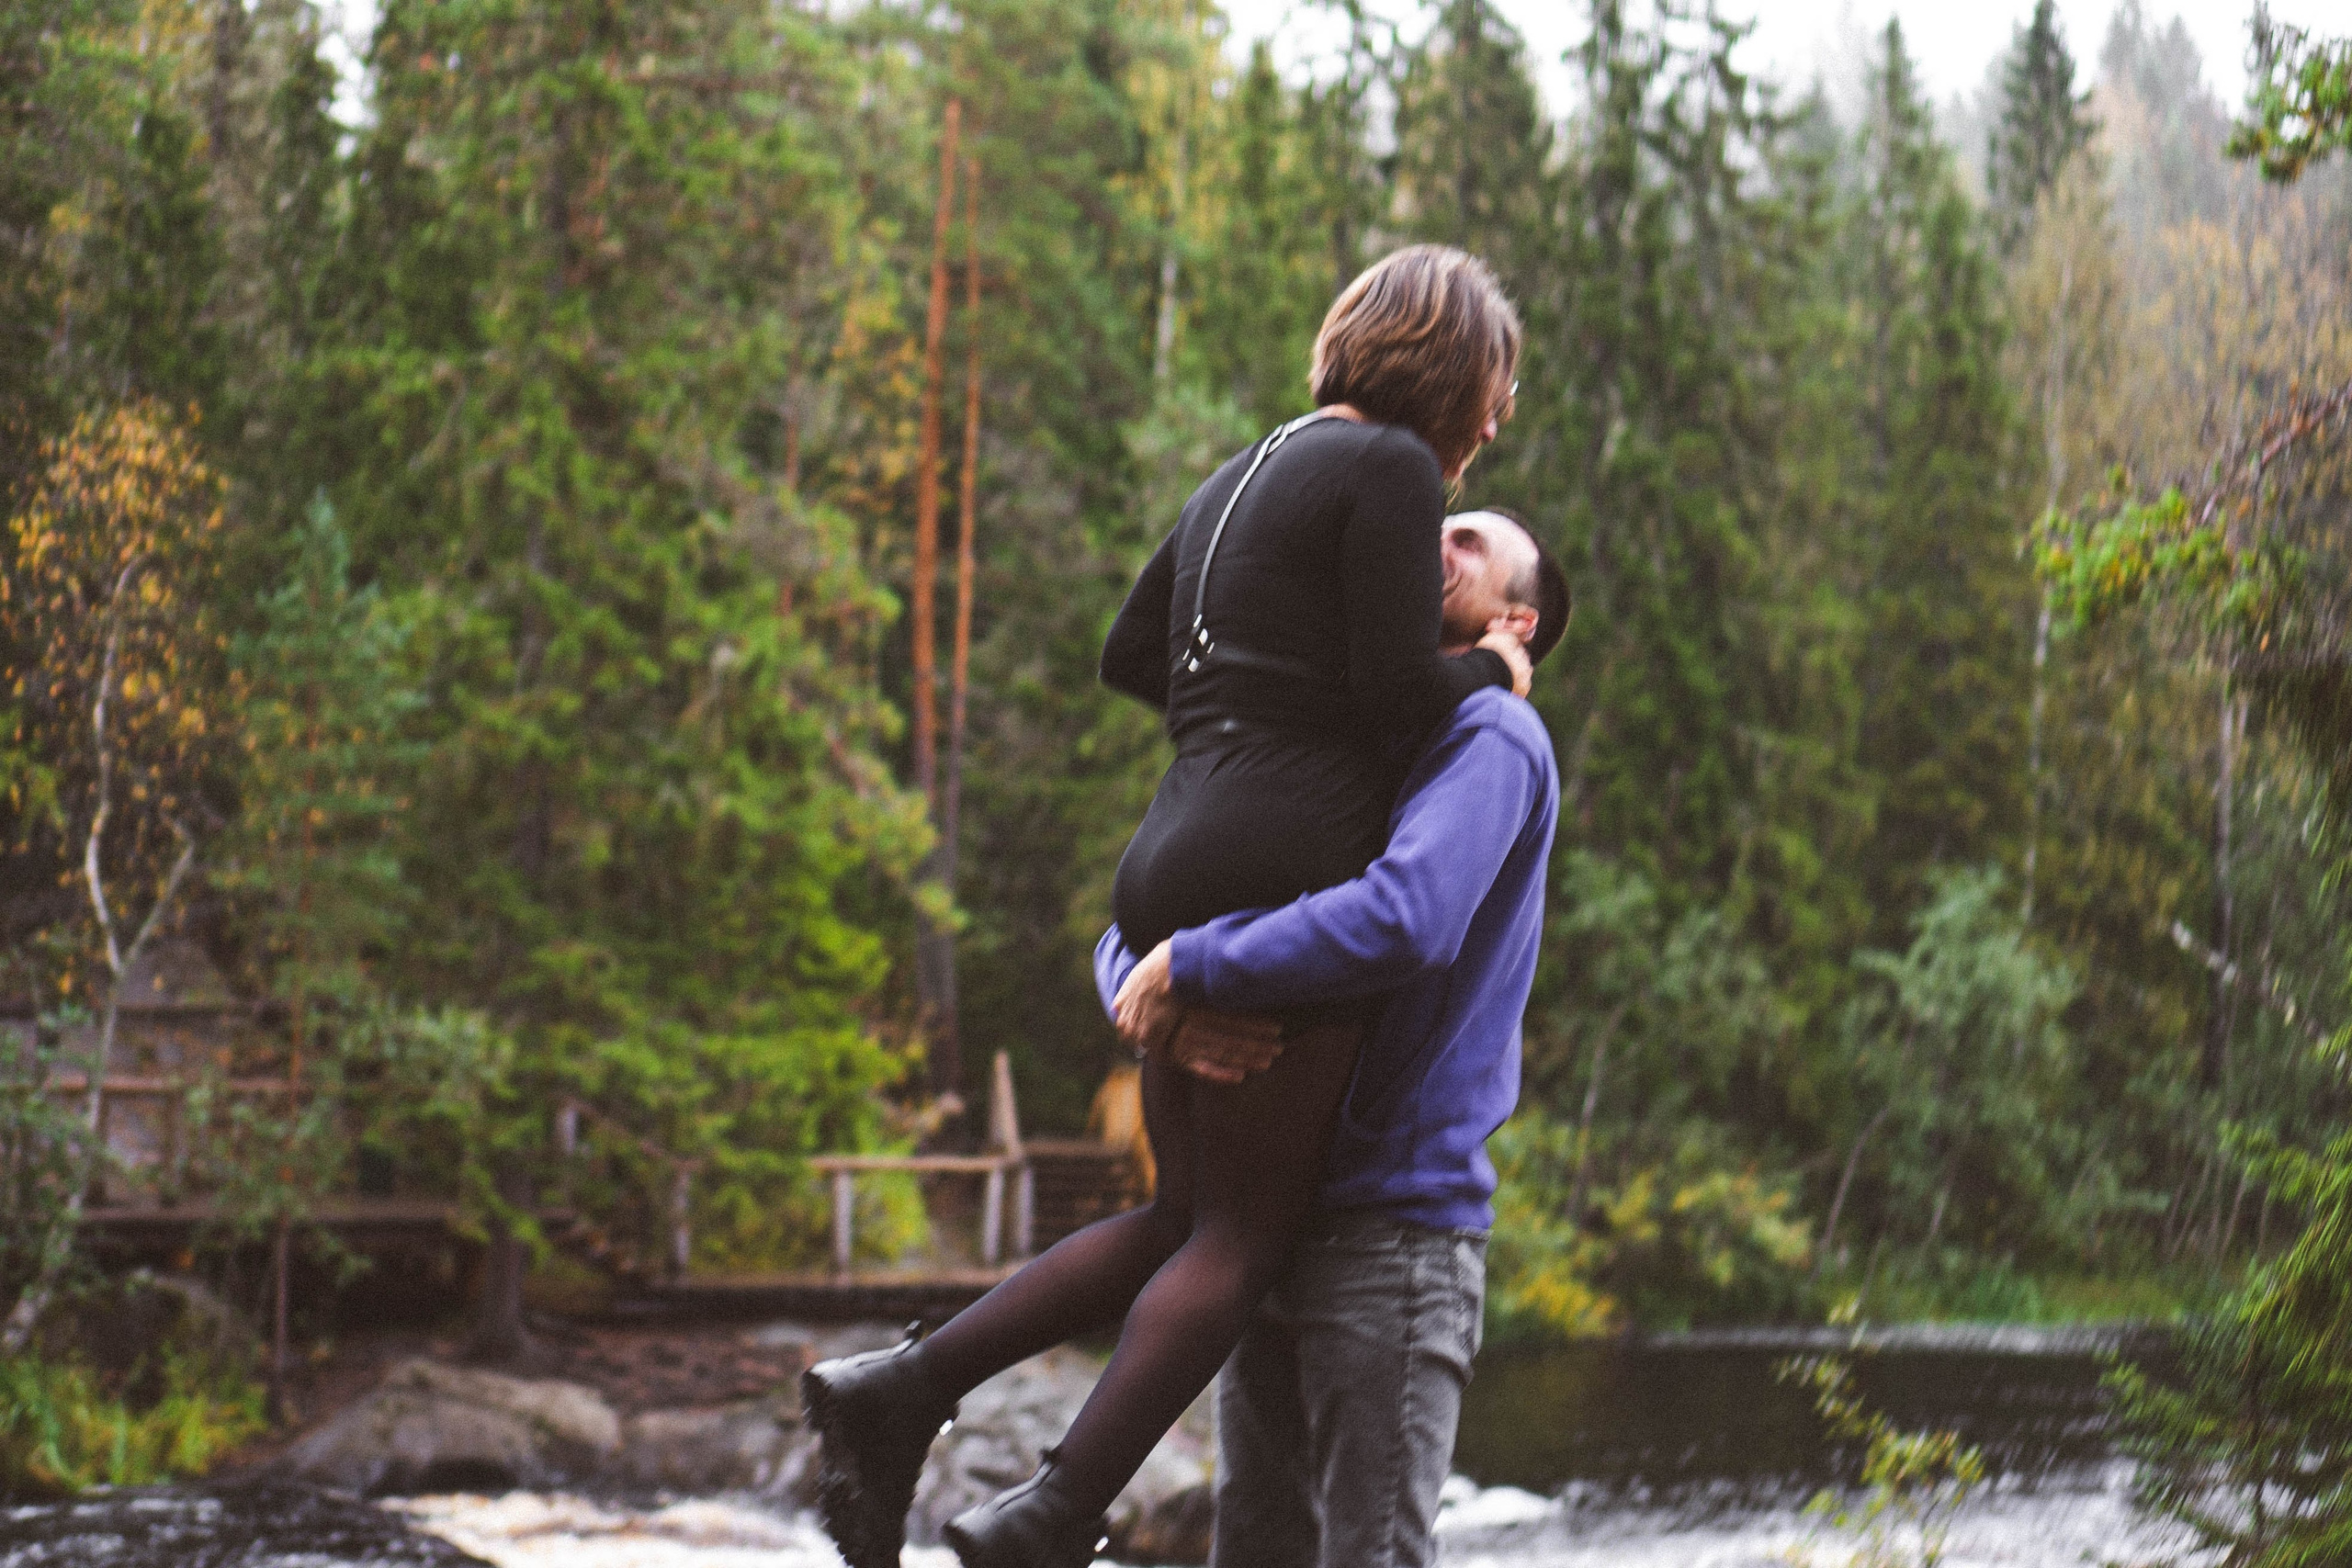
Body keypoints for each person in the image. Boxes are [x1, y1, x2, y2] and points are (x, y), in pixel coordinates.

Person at [801, 246, 1526, 1568]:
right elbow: (1389, 689)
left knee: (1178, 1216)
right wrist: (1489, 658)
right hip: (1277, 859)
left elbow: (1131, 653)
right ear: (1450, 360)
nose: (1498, 419)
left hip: (1171, 850)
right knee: (1241, 1240)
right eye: (1498, 385)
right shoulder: (1390, 471)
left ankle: (902, 1386)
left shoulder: (1239, 472)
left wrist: (1238, 718)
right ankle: (1049, 1512)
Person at [1106, 508, 1566, 1568]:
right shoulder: (1329, 734)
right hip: (1260, 1221)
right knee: (1254, 1552)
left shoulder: (1492, 738)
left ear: (1515, 619)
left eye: (1467, 543)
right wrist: (1143, 987)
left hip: (1391, 1230)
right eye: (1433, 526)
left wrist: (1200, 966)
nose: (1432, 539)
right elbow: (1157, 901)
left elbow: (1410, 915)